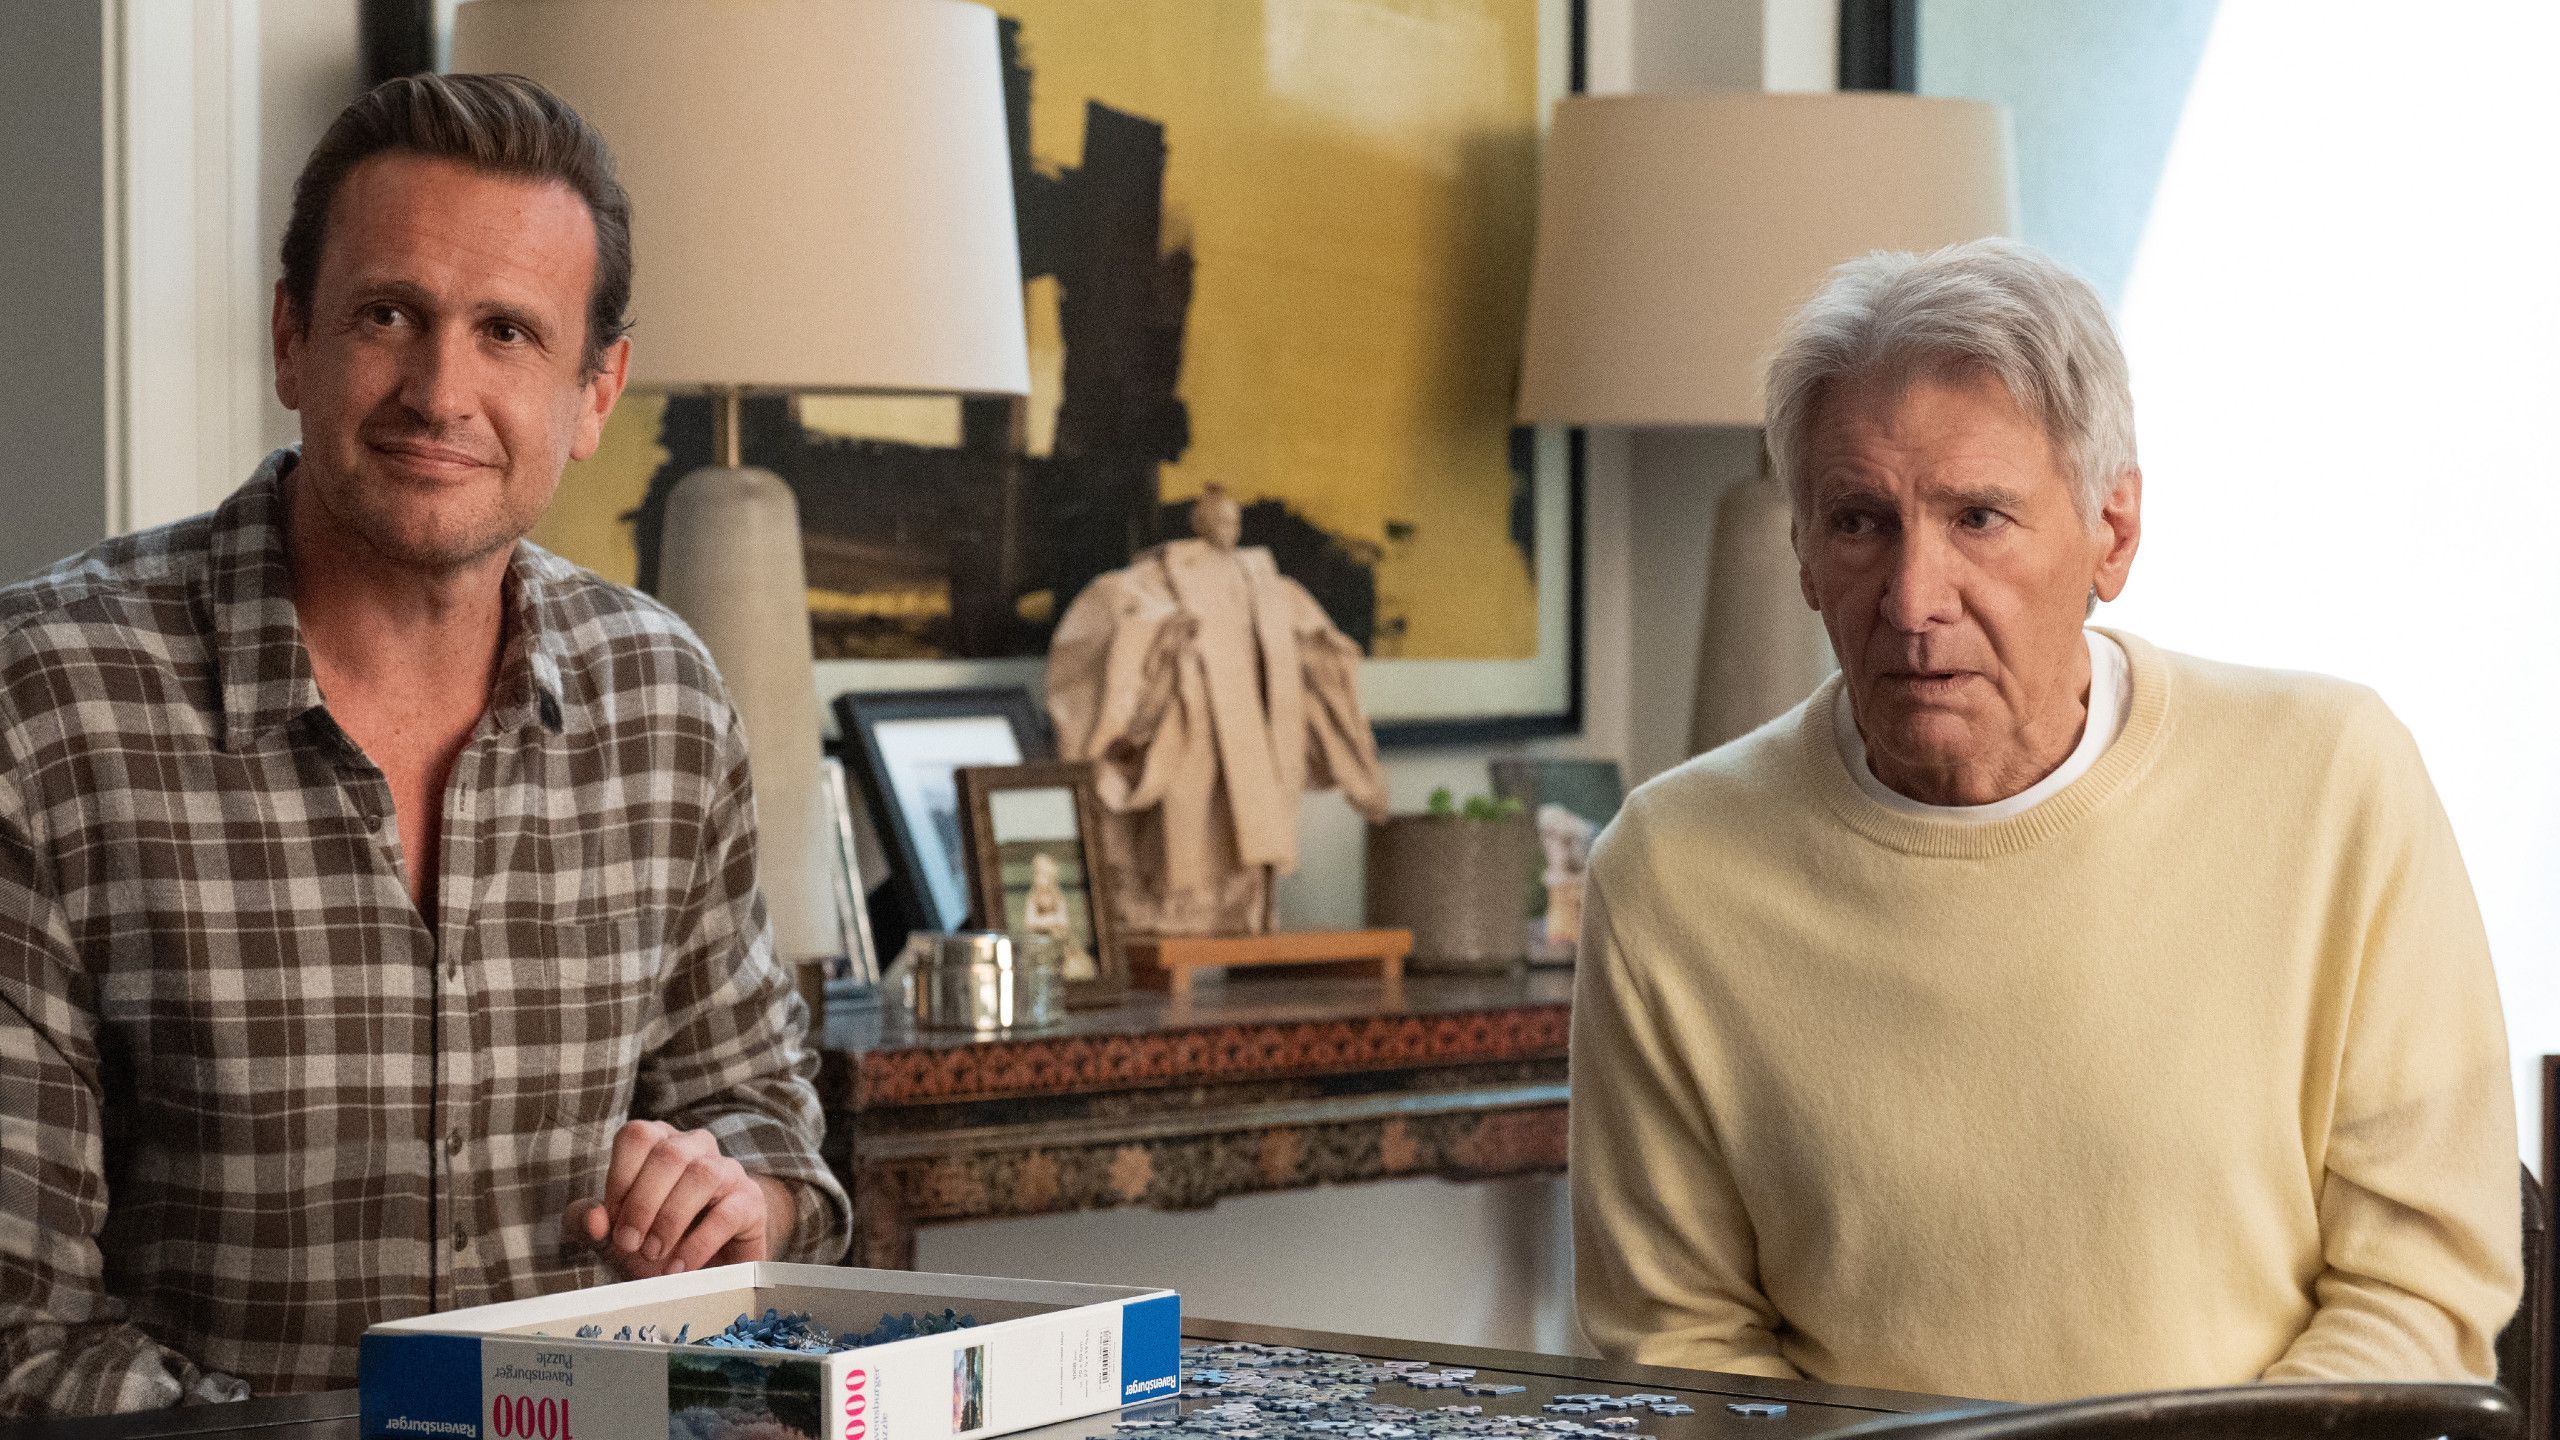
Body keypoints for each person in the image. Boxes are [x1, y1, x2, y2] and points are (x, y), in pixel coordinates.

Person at [0, 75, 850, 1417]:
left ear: (594, 392)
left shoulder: (665, 704)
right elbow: (20, 1332)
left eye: (508, 332)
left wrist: (736, 1200)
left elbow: (765, 1123)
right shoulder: (43, 704)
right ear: (292, 339)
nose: (440, 389)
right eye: (389, 314)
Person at [1570, 238, 2519, 1403]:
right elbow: (1678, 1346)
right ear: (1804, 556)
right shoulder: (1671, 870)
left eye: (1977, 517)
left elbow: (2422, 1285)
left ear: (2112, 533)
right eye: (1860, 521)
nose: (1914, 601)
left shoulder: (2332, 780)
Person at [1047, 484, 1388, 936]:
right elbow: (1100, 660)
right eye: (1221, 521)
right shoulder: (1143, 584)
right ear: (1201, 522)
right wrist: (1161, 650)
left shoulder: (1267, 586)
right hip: (1188, 730)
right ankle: (1173, 905)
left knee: (1243, 820)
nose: (1230, 530)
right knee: (1183, 822)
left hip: (1253, 738)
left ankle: (1241, 906)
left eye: (1235, 521)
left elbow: (1322, 649)